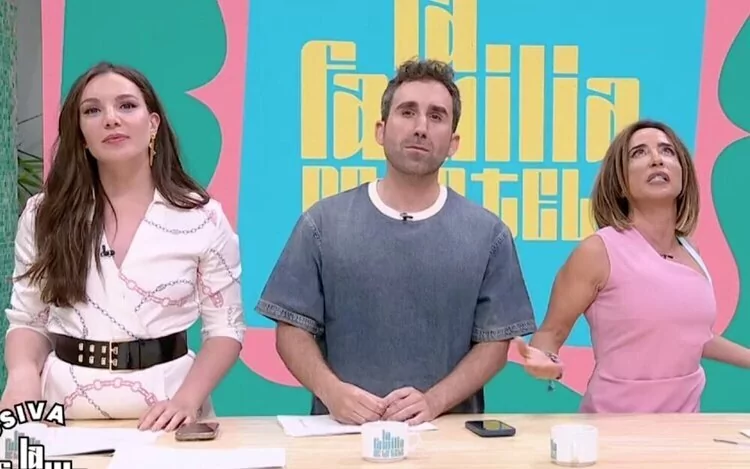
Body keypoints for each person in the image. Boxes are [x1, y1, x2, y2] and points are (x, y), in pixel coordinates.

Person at [256, 58, 536, 425]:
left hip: (448, 442)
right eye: (407, 112)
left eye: (436, 116)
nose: (421, 127)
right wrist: (332, 392)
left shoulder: (489, 235)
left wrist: (433, 402)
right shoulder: (322, 224)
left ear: (453, 143)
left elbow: (495, 344)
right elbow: (291, 330)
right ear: (380, 130)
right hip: (341, 438)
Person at [1, 62, 245, 430]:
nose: (111, 119)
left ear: (153, 124)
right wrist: (22, 377)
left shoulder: (201, 216)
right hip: (62, 409)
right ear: (80, 134)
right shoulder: (44, 214)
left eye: (127, 106)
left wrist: (186, 400)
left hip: (169, 408)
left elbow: (225, 329)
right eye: (92, 111)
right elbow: (28, 319)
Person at [516, 119, 750, 412]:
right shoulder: (597, 252)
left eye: (667, 151)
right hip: (614, 428)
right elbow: (550, 334)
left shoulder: (693, 252)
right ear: (621, 183)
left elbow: (691, 338)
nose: (656, 159)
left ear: (683, 174)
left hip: (686, 428)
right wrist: (545, 360)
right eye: (639, 153)